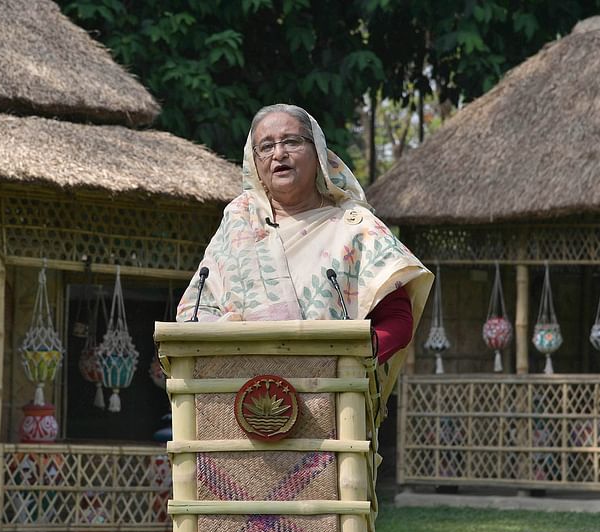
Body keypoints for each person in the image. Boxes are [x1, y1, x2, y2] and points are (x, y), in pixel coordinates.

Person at [177, 104, 432, 375]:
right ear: (254, 161)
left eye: (291, 141)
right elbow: (196, 311)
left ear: (318, 152)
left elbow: (397, 320)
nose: (279, 154)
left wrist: (348, 362)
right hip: (238, 394)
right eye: (265, 146)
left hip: (333, 396)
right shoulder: (238, 223)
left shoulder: (355, 227)